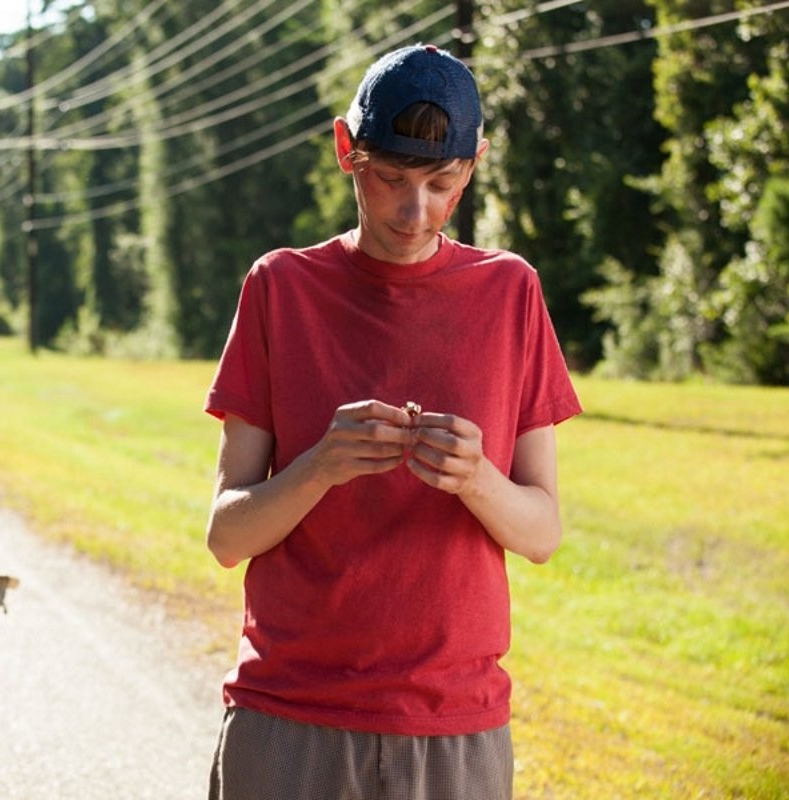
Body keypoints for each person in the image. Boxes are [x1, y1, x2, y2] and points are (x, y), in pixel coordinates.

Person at [202, 44, 582, 800]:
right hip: (290, 719)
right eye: (391, 179)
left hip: (455, 730)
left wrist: (477, 479)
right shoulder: (280, 287)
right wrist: (320, 464)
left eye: (442, 185)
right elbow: (226, 535)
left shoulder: (511, 293)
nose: (415, 212)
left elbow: (540, 534)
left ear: (471, 168)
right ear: (348, 152)